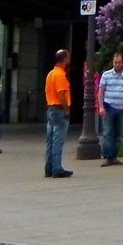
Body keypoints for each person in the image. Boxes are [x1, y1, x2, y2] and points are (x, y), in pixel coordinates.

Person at [96, 51, 123, 166]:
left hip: (121, 108)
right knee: (108, 133)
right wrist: (101, 106)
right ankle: (108, 157)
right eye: (115, 62)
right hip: (108, 106)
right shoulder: (106, 75)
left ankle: (114, 156)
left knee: (118, 133)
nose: (117, 65)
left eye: (119, 62)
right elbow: (101, 91)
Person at [43, 48, 73, 179]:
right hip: (59, 109)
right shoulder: (61, 75)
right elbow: (61, 94)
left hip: (50, 108)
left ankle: (49, 168)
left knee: (50, 141)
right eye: (68, 57)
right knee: (58, 141)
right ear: (65, 59)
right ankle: (57, 169)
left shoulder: (51, 74)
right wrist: (66, 109)